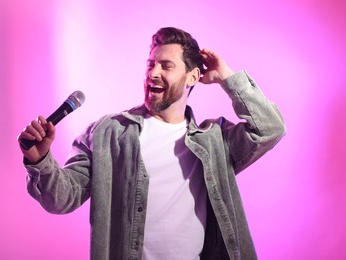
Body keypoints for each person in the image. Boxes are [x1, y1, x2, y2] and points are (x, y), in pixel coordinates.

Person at [18, 27, 286, 260]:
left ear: (192, 77)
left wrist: (227, 77)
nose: (153, 73)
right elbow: (62, 199)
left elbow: (270, 128)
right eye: (150, 64)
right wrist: (39, 161)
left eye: (166, 66)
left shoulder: (214, 141)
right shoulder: (107, 134)